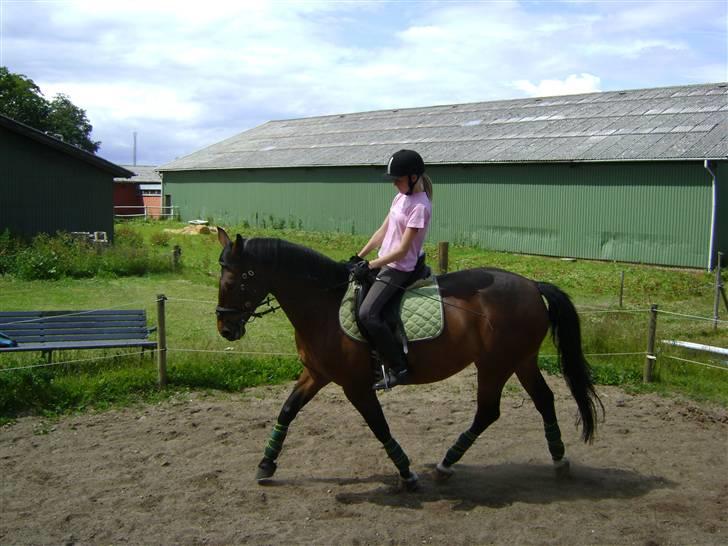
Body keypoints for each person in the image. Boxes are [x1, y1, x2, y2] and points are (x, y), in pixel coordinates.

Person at [352, 149, 433, 390]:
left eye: (398, 179)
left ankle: (399, 368)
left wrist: (369, 266)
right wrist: (359, 255)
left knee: (368, 313)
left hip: (399, 268)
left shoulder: (420, 207)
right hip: (384, 261)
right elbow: (382, 231)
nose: (394, 184)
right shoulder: (400, 197)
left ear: (413, 177)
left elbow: (401, 251)